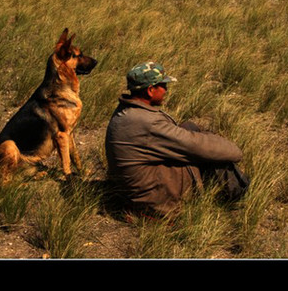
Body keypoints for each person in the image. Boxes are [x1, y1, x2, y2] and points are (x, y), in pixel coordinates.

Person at [104, 61, 249, 218]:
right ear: (150, 90)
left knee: (189, 128)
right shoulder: (148, 123)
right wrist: (234, 151)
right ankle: (236, 193)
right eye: (163, 85)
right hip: (155, 204)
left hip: (134, 192)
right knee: (214, 156)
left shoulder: (126, 110)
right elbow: (199, 146)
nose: (166, 90)